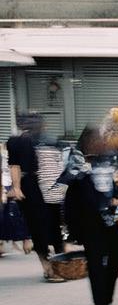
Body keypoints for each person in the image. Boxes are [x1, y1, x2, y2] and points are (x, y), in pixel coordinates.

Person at [66, 126, 118, 305]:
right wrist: (73, 231)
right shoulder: (76, 163)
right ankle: (99, 303)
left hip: (115, 221)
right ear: (88, 142)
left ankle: (106, 298)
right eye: (96, 139)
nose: (101, 142)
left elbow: (115, 187)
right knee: (96, 263)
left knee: (115, 260)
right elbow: (71, 198)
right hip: (91, 222)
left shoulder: (110, 159)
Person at [5, 112, 66, 281]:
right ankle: (48, 267)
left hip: (47, 187)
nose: (35, 124)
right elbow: (14, 165)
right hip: (29, 187)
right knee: (38, 227)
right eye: (30, 121)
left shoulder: (44, 141)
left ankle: (60, 264)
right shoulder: (16, 141)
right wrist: (16, 188)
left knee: (54, 225)